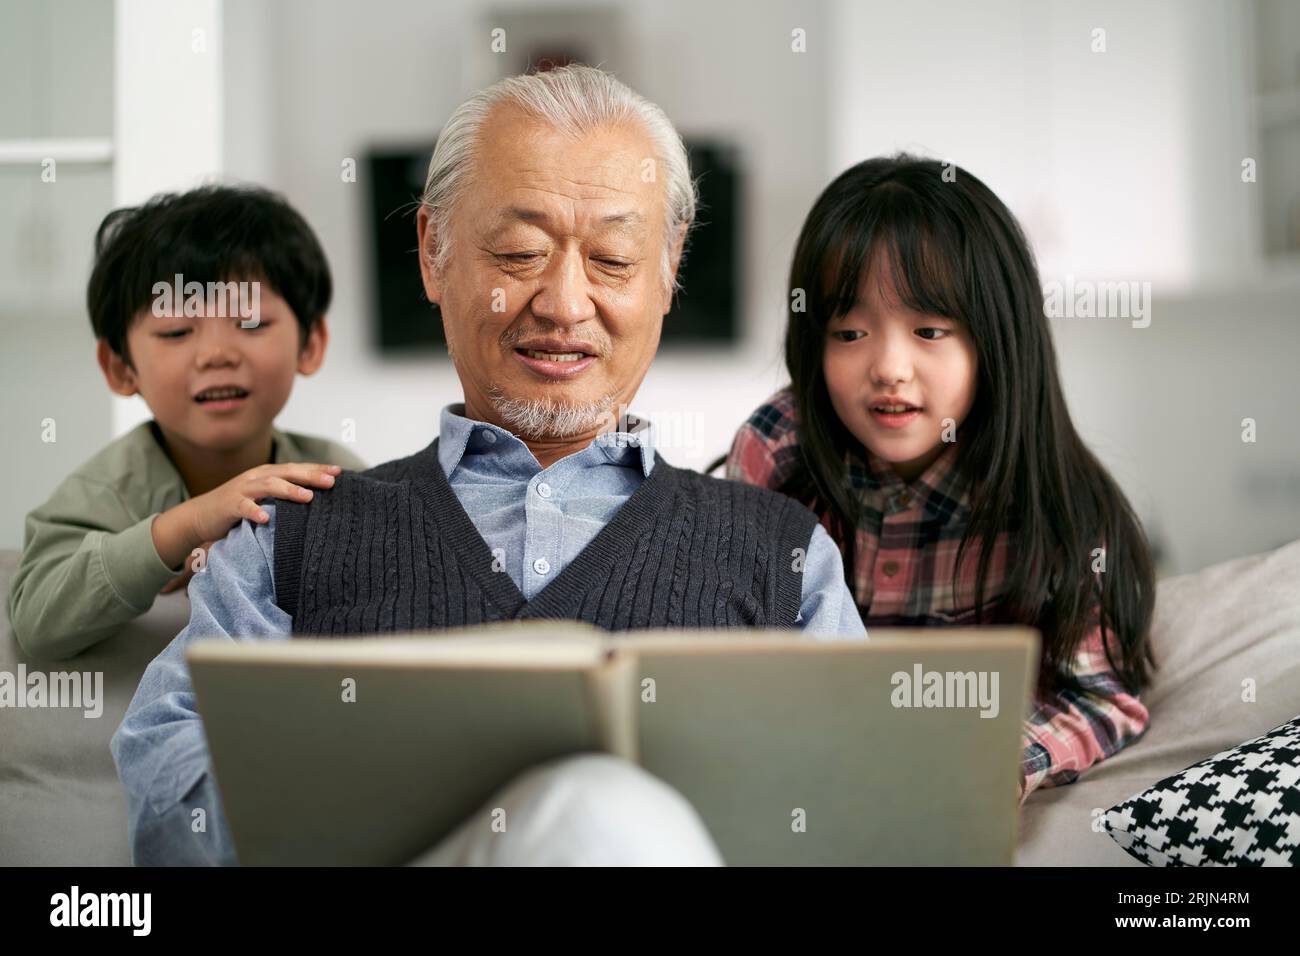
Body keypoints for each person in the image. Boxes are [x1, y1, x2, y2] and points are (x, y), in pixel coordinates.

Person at [112, 66, 865, 866]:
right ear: (434, 256)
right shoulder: (285, 533)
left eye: (611, 258)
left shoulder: (786, 554)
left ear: (669, 267)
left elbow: (861, 811)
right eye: (519, 251)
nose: (565, 303)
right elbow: (172, 808)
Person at [723, 155, 1156, 804]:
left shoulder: (1056, 507)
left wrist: (1000, 761)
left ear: (996, 342)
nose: (890, 367)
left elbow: (1100, 697)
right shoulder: (778, 452)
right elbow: (731, 659)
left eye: (929, 330)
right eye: (850, 332)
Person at [9, 185, 365, 661]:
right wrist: (185, 526)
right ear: (121, 368)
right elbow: (37, 622)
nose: (217, 354)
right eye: (177, 331)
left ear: (310, 344)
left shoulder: (331, 473)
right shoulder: (103, 492)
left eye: (252, 323)